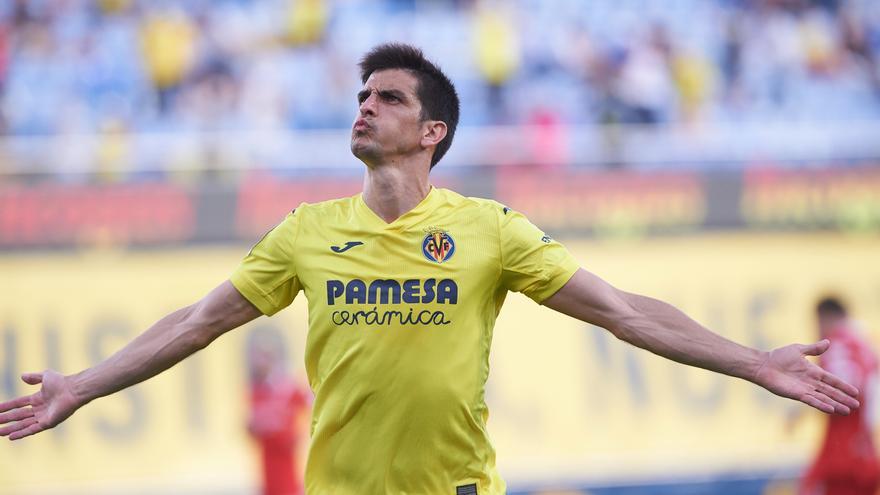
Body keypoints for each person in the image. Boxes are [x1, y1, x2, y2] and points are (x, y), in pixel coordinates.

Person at [0, 43, 861, 495]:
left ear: (431, 131)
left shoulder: (489, 230)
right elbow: (195, 322)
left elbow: (624, 310)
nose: (365, 107)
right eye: (362, 96)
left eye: (389, 98)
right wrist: (83, 384)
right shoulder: (305, 232)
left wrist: (752, 361)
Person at [800, 297, 879, 495]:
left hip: (840, 458)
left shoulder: (836, 346)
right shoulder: (863, 345)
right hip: (864, 453)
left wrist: (804, 401)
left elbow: (845, 390)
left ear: (824, 317)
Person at [247, 335, 311, 495]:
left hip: (288, 455)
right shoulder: (257, 391)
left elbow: (309, 405)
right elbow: (250, 425)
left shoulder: (288, 386)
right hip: (268, 455)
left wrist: (300, 434)